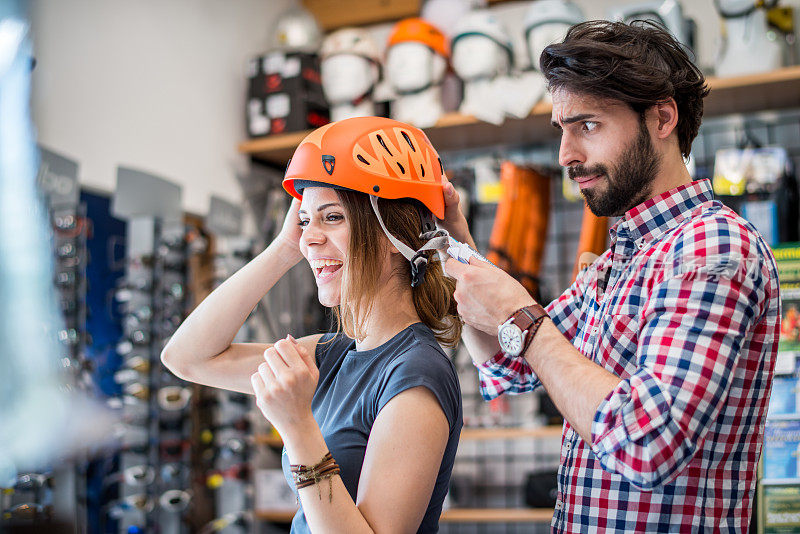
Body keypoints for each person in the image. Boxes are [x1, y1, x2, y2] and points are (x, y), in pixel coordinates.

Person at [439, 21, 781, 532]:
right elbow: (509, 367)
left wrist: (524, 319)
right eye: (562, 130)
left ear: (662, 118)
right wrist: (455, 242)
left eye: (588, 125)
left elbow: (647, 442)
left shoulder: (710, 246)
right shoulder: (617, 262)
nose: (566, 156)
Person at [162, 116, 463, 533]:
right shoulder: (334, 353)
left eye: (333, 217)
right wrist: (284, 247)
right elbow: (187, 358)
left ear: (393, 234)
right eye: (305, 221)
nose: (310, 238)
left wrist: (297, 426)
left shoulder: (414, 375)